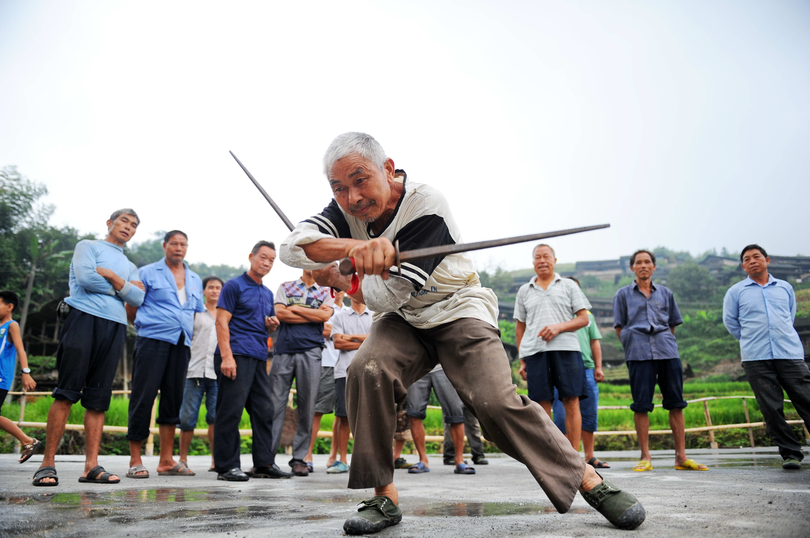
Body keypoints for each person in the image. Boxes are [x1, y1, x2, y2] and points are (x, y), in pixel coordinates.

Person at [279, 132, 645, 534]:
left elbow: (390, 292)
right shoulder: (344, 211)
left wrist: (347, 277)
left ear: (388, 169)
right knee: (367, 368)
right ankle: (384, 496)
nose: (352, 197)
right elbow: (293, 248)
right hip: (404, 319)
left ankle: (587, 478)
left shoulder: (426, 205)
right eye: (339, 188)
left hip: (457, 307)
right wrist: (353, 248)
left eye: (360, 179)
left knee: (493, 400)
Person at [34, 209, 145, 486]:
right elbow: (86, 279)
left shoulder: (129, 265)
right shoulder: (88, 246)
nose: (128, 227)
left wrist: (115, 279)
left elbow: (140, 298)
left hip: (116, 327)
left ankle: (91, 466)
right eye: (124, 221)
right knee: (67, 392)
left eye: (133, 225)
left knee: (98, 397)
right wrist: (123, 289)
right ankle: (47, 463)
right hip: (82, 319)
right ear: (110, 223)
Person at [613, 249, 708, 473]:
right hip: (638, 353)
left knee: (676, 403)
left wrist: (663, 339)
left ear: (654, 267)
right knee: (641, 405)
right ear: (632, 268)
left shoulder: (665, 293)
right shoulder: (623, 294)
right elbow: (619, 327)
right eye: (639, 262)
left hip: (667, 352)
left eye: (648, 262)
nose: (643, 265)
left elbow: (672, 324)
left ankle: (681, 457)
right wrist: (632, 342)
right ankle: (645, 456)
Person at [124, 231, 205, 478]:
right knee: (143, 396)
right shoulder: (146, 272)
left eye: (183, 244)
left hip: (181, 343)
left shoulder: (194, 278)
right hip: (152, 341)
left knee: (173, 398)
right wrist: (149, 327)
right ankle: (135, 460)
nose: (179, 248)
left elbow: (193, 312)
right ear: (164, 246)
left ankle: (166, 461)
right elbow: (131, 308)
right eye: (174, 243)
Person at [723, 244, 810, 470]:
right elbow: (731, 322)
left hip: (789, 353)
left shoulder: (785, 288)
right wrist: (751, 339)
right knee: (771, 408)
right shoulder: (736, 292)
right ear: (743, 266)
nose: (752, 261)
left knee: (806, 399)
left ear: (766, 260)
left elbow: (789, 316)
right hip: (756, 357)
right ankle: (790, 453)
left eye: (756, 256)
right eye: (747, 259)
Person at [214, 241, 290, 481]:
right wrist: (226, 357)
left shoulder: (267, 293)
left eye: (271, 260)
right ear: (251, 257)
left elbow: (260, 327)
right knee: (231, 410)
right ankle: (226, 466)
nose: (266, 263)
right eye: (263, 257)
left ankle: (264, 464)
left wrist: (271, 326)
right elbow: (221, 322)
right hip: (235, 354)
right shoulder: (234, 286)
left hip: (257, 356)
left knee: (264, 410)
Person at [514, 244, 590, 454]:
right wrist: (522, 359)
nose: (542, 261)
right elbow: (519, 327)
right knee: (541, 404)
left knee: (571, 400)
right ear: (533, 263)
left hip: (567, 350)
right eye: (537, 257)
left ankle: (575, 455)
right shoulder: (524, 291)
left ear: (555, 261)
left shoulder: (568, 286)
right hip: (536, 353)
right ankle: (551, 455)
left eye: (546, 256)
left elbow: (584, 319)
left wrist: (559, 327)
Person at [269, 270, 332, 476]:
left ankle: (299, 459)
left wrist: (294, 308)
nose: (311, 265)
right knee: (274, 406)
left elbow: (325, 316)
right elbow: (280, 314)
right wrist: (312, 315)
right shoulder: (285, 287)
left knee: (307, 406)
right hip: (284, 350)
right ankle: (266, 458)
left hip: (312, 351)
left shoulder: (326, 291)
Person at [551, 278, 609, 468]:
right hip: (563, 369)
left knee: (589, 413)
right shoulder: (556, 315)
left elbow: (594, 342)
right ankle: (569, 456)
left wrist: (598, 367)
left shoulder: (588, 317)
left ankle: (589, 456)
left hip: (586, 368)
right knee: (561, 414)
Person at [178, 275, 224, 473]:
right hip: (194, 371)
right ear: (204, 291)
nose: (215, 291)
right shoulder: (196, 314)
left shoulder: (225, 315)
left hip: (217, 374)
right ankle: (183, 459)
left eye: (218, 288)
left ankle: (216, 461)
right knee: (188, 418)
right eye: (211, 287)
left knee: (214, 417)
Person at [329, 295, 373, 473]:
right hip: (344, 372)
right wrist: (365, 341)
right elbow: (338, 343)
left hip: (370, 371)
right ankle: (342, 460)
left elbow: (376, 341)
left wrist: (351, 337)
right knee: (343, 416)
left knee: (369, 416)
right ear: (349, 294)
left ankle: (366, 459)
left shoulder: (375, 315)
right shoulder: (340, 316)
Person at [405, 365, 475, 475]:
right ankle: (423, 460)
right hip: (417, 366)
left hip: (444, 366)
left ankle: (459, 460)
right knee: (414, 413)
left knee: (456, 415)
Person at [305, 289, 345, 472]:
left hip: (344, 365)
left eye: (340, 288)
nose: (337, 292)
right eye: (333, 288)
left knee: (342, 414)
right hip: (325, 363)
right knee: (316, 411)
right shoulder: (322, 308)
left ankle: (334, 456)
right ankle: (307, 455)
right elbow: (321, 330)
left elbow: (332, 332)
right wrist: (341, 333)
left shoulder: (347, 311)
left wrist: (336, 332)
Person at [0, 290, 41, 463]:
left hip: (1, 378)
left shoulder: (12, 325)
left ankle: (28, 440)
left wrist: (26, 372)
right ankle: (27, 440)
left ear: (10, 307)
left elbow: (20, 349)